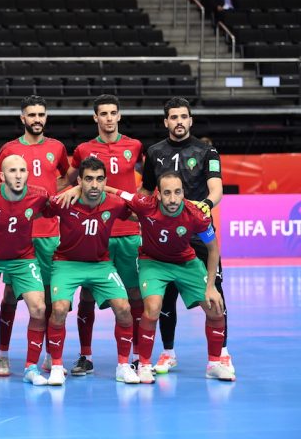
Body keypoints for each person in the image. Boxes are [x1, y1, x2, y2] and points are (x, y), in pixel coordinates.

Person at [107, 172, 234, 383]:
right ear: (158, 194)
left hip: (186, 263)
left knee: (216, 309)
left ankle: (214, 364)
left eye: (177, 192)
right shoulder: (144, 204)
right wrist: (77, 188)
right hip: (153, 263)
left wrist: (211, 286)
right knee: (152, 308)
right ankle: (144, 365)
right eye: (167, 193)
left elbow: (213, 249)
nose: (173, 199)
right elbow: (115, 191)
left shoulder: (196, 214)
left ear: (183, 193)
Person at [140, 97, 230, 375]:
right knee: (165, 298)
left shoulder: (207, 151)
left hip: (198, 235)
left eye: (183, 117)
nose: (179, 122)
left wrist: (204, 206)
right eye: (173, 117)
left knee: (215, 296)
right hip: (165, 237)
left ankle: (221, 354)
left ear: (190, 120)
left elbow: (216, 189)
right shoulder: (154, 152)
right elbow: (147, 191)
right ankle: (168, 353)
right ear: (165, 122)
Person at [0, 95, 70, 376]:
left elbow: (66, 177)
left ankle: (48, 355)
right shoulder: (9, 149)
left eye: (41, 114)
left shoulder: (57, 147)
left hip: (49, 233)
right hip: (18, 234)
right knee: (11, 295)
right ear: (22, 118)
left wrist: (55, 194)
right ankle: (3, 355)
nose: (37, 119)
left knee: (47, 298)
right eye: (31, 115)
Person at [64, 95, 144, 375]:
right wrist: (74, 189)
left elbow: (149, 182)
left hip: (128, 232)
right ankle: (85, 356)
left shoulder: (135, 146)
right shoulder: (84, 149)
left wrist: (139, 203)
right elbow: (70, 180)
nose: (109, 118)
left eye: (113, 113)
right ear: (95, 118)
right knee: (87, 293)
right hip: (96, 230)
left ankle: (136, 356)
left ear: (119, 116)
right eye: (103, 113)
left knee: (134, 295)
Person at [45, 157, 139, 385]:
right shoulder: (65, 200)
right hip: (66, 263)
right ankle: (56, 366)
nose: (94, 184)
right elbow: (38, 206)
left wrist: (115, 191)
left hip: (100, 264)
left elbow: (141, 210)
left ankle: (123, 366)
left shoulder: (115, 203)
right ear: (79, 181)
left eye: (99, 179)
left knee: (124, 308)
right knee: (58, 309)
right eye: (88, 179)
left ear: (105, 181)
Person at [0, 155, 50, 388]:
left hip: (22, 259)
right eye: (12, 171)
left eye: (22, 170)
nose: (18, 175)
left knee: (39, 308)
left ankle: (31, 368)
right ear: (2, 176)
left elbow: (53, 207)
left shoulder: (39, 195)